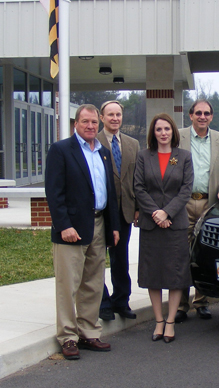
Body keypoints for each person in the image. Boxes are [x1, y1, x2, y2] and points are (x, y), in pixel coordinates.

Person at [45, 104, 120, 360]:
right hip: (72, 229)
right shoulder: (61, 150)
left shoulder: (104, 153)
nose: (90, 126)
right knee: (69, 284)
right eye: (84, 121)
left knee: (93, 282)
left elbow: (109, 193)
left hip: (98, 224)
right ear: (75, 124)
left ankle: (89, 331)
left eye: (93, 122)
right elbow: (54, 193)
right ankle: (67, 337)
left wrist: (113, 227)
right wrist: (63, 225)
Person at [134, 113, 193, 343]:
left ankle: (170, 322)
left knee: (176, 274)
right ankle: (158, 320)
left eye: (167, 129)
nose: (163, 133)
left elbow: (186, 189)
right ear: (153, 133)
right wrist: (156, 214)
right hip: (151, 225)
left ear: (173, 132)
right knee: (153, 273)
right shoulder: (143, 156)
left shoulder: (184, 157)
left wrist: (167, 212)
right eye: (159, 129)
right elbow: (139, 188)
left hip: (175, 224)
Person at [175, 99, 219, 323]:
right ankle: (180, 305)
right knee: (180, 254)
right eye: (198, 113)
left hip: (209, 204)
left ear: (211, 117)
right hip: (183, 203)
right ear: (190, 115)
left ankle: (201, 302)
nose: (202, 116)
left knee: (203, 253)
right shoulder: (178, 137)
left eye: (206, 113)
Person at [97, 100, 140, 321]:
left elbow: (138, 180)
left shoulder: (133, 144)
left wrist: (138, 208)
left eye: (118, 115)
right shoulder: (93, 141)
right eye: (110, 115)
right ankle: (103, 303)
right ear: (102, 117)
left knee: (120, 258)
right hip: (101, 210)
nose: (115, 118)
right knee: (97, 259)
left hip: (125, 211)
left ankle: (121, 300)